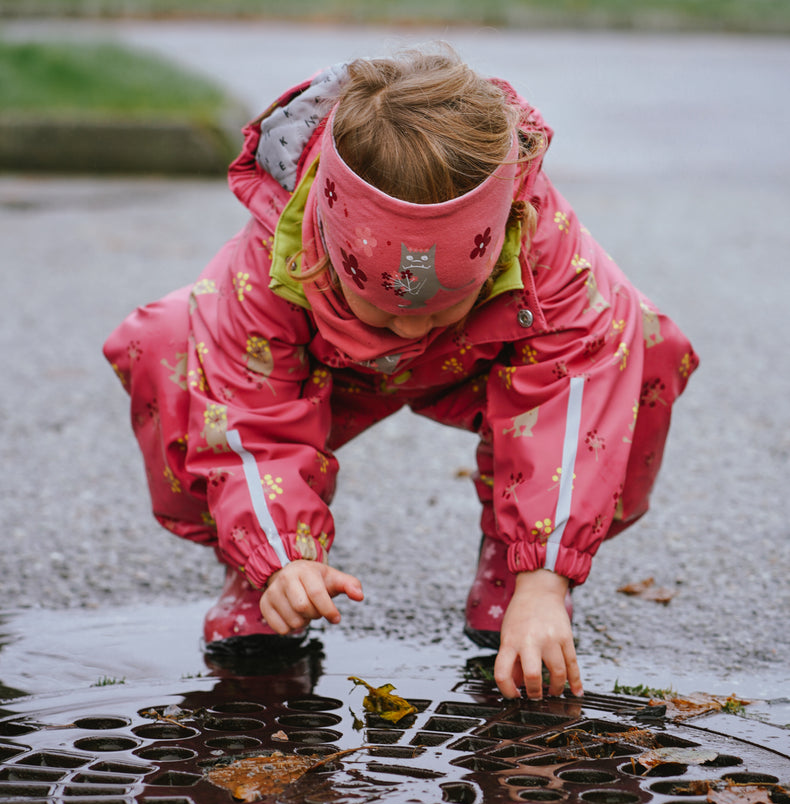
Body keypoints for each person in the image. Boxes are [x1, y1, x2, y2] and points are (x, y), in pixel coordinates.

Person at [103, 45, 698, 702]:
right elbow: (246, 418)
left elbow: (577, 394)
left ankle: (514, 567)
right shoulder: (276, 259)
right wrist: (281, 556)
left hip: (482, 360)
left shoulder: (540, 242)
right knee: (170, 342)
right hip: (324, 375)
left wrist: (545, 579)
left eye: (442, 304)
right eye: (385, 315)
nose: (412, 329)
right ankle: (268, 579)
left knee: (637, 336)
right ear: (328, 242)